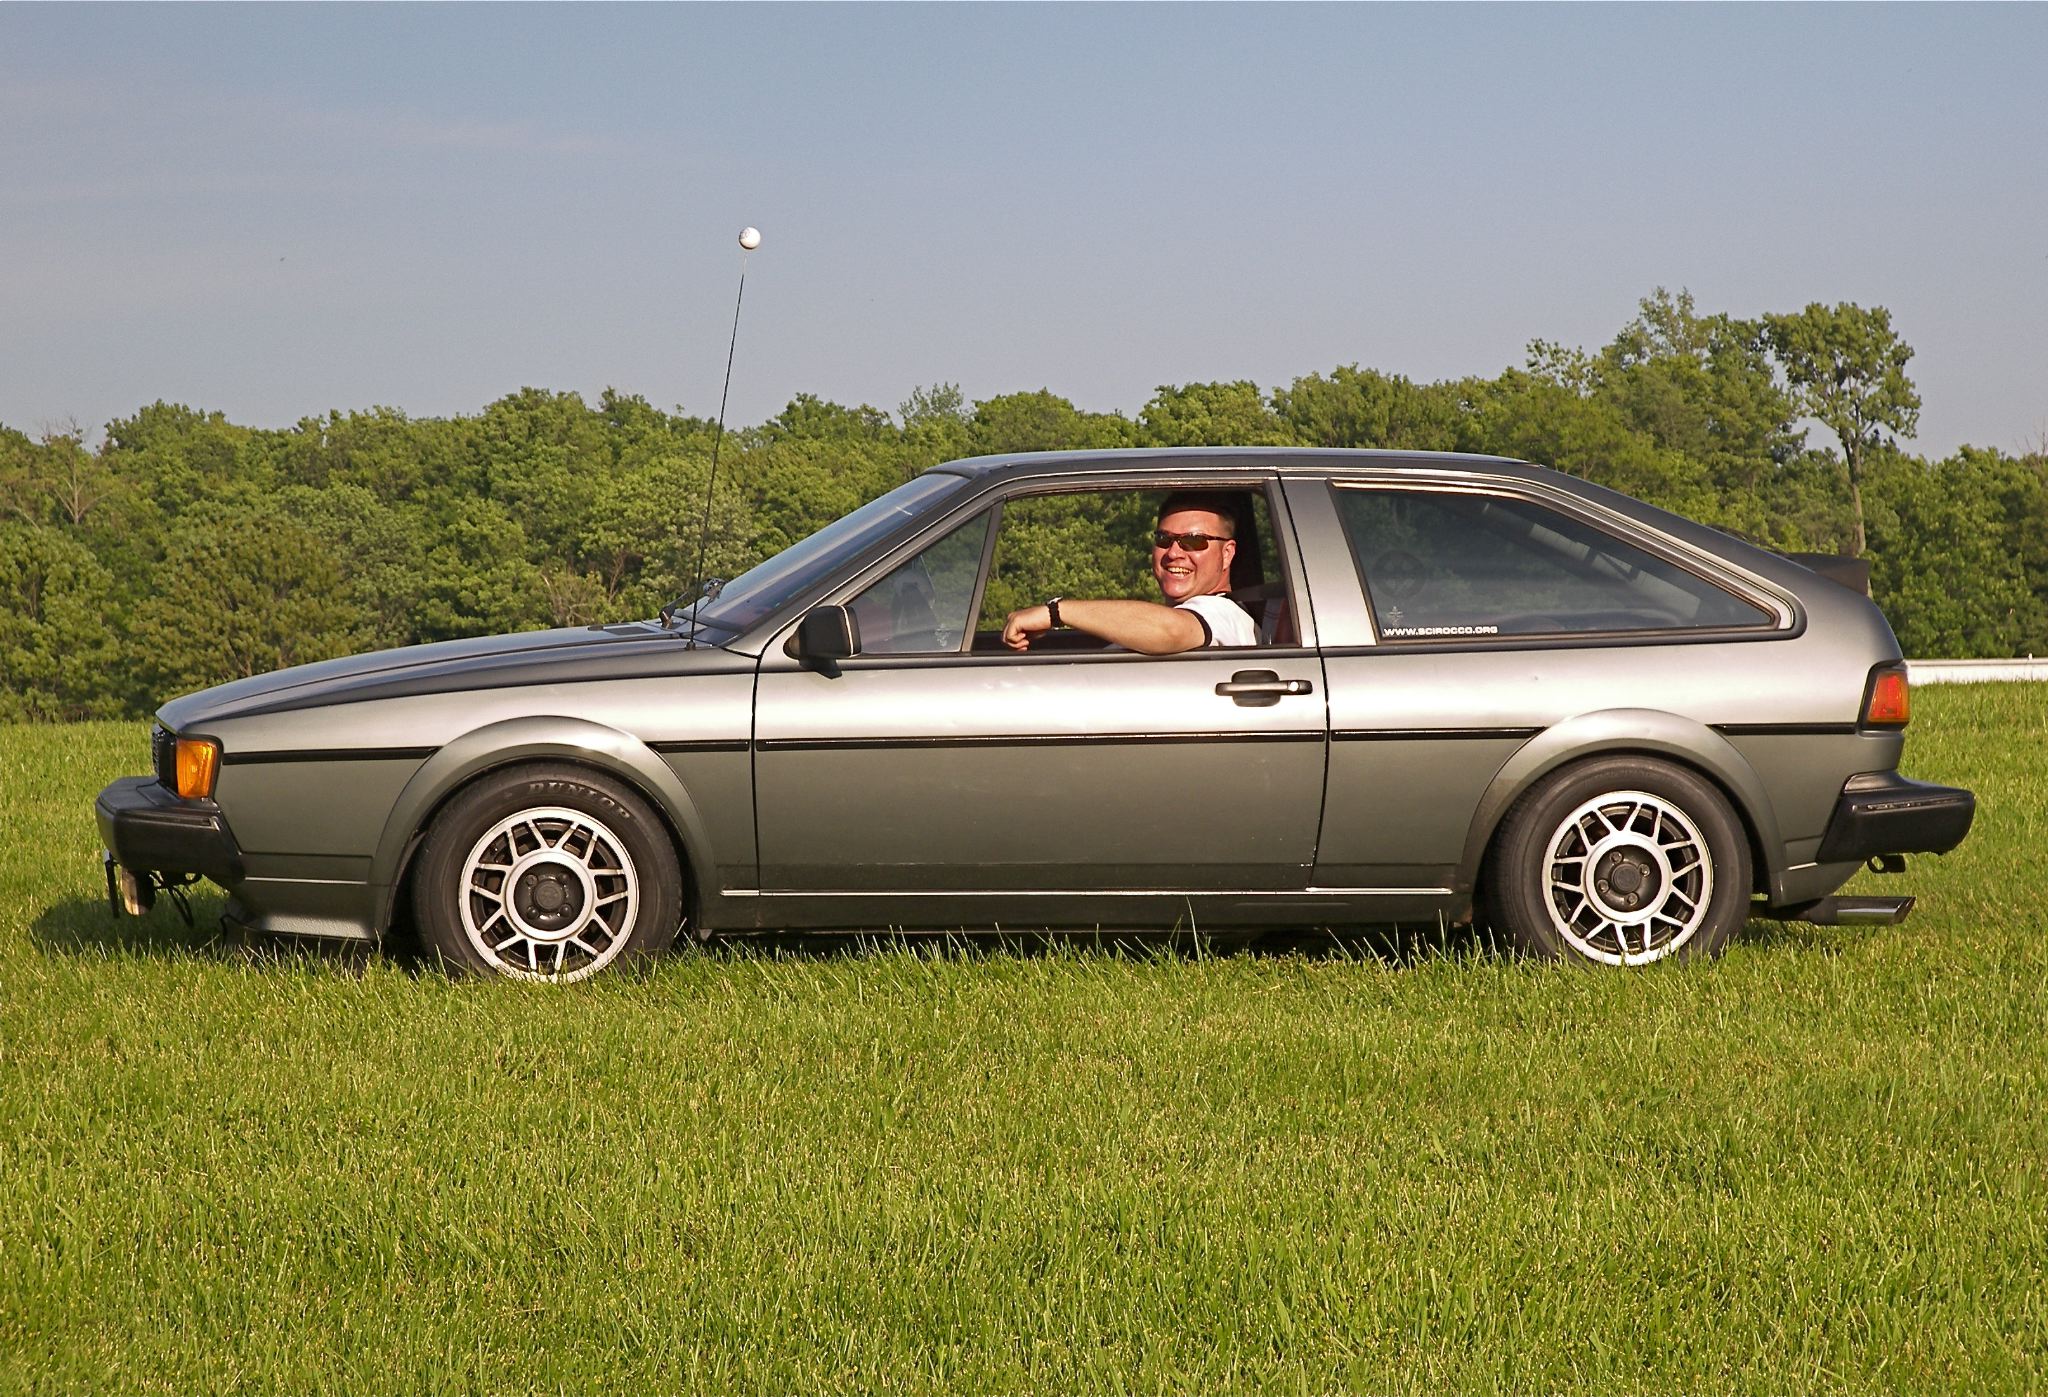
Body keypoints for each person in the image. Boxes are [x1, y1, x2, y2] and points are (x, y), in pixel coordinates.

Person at [1002, 492, 1258, 654]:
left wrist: (1055, 613)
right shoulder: (1172, 618)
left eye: (1193, 541)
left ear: (1227, 553)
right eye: (1163, 539)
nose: (1173, 553)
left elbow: (1170, 630)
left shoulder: (1223, 614)